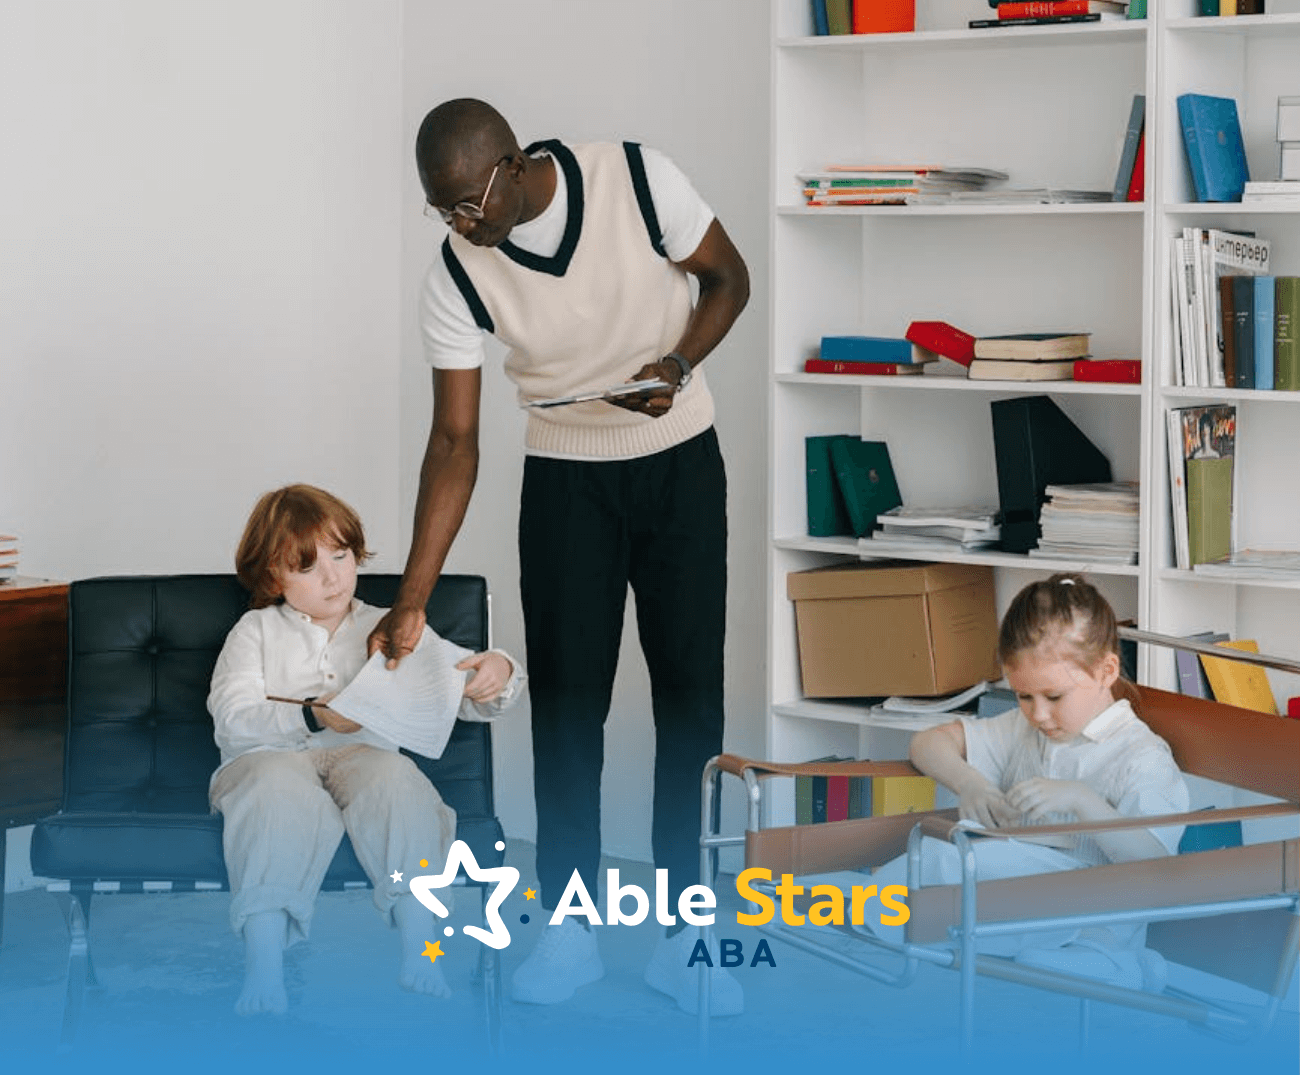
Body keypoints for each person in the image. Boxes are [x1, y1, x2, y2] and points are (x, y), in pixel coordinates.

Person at [368, 98, 750, 1015]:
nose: (461, 224)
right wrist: (411, 596)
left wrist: (679, 365)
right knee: (570, 709)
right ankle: (571, 933)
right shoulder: (457, 275)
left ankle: (689, 930)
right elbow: (453, 443)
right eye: (442, 209)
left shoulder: (637, 177)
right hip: (566, 480)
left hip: (681, 462)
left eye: (467, 201)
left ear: (509, 164)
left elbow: (728, 280)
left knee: (691, 699)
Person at [208, 483, 524, 1015]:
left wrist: (499, 672)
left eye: (341, 555)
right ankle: (263, 966)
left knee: (398, 783)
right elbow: (233, 720)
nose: (332, 577)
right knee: (274, 794)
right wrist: (312, 714)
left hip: (365, 760)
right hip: (271, 758)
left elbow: (466, 696)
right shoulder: (255, 631)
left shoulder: (392, 625)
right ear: (271, 576)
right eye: (306, 566)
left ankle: (418, 950)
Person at [865, 573, 1189, 987]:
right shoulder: (1026, 729)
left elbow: (1157, 866)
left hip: (1095, 906)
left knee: (951, 874)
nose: (1037, 714)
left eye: (1054, 697)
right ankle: (865, 914)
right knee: (943, 858)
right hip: (1022, 887)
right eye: (1023, 696)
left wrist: (1082, 800)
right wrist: (971, 783)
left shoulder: (1140, 756)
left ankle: (1123, 963)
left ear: (1107, 670)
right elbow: (926, 744)